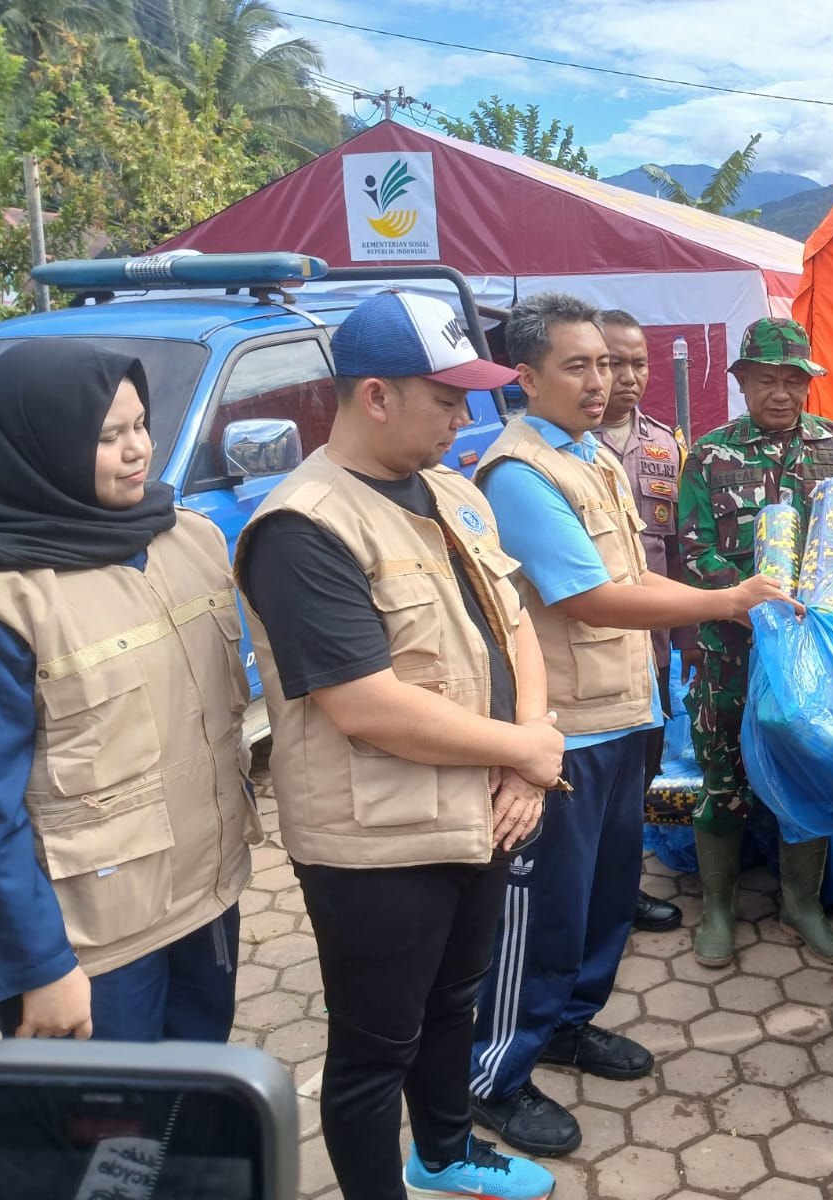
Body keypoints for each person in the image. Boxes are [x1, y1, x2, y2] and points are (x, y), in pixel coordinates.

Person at [235, 291, 561, 1200]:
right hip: (375, 841)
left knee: (454, 1001)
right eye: (447, 399)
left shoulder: (452, 491)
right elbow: (366, 705)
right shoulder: (303, 526)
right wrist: (524, 751)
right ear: (375, 395)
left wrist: (529, 752)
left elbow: (515, 626)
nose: (465, 418)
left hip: (476, 810)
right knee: (375, 1047)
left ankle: (444, 1154)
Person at [471, 295, 790, 1157]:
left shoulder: (591, 456)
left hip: (627, 712)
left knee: (607, 897)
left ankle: (568, 1025)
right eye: (577, 366)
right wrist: (724, 602)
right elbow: (590, 596)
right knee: (545, 912)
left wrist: (713, 616)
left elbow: (637, 576)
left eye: (606, 364)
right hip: (566, 731)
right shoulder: (520, 472)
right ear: (526, 377)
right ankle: (493, 1075)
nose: (600, 380)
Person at [0, 340, 254, 1044]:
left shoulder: (187, 538)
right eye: (106, 436)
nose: (137, 450)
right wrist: (38, 965)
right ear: (38, 446)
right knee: (110, 1114)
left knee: (196, 1093)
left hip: (205, 894)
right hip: (89, 944)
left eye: (140, 425)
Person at [678, 316, 833, 970]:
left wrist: (823, 611)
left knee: (807, 777)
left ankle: (802, 905)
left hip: (812, 658)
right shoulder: (711, 455)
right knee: (723, 781)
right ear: (742, 382)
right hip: (732, 654)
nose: (781, 393)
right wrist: (751, 608)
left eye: (794, 380)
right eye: (766, 379)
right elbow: (695, 551)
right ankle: (718, 908)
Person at [597, 309, 686, 935]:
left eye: (639, 364)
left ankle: (621, 894)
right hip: (584, 648)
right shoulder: (561, 449)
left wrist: (686, 641)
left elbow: (675, 553)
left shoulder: (665, 445)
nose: (628, 377)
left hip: (649, 649)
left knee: (642, 773)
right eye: (613, 363)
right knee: (584, 783)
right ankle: (576, 898)